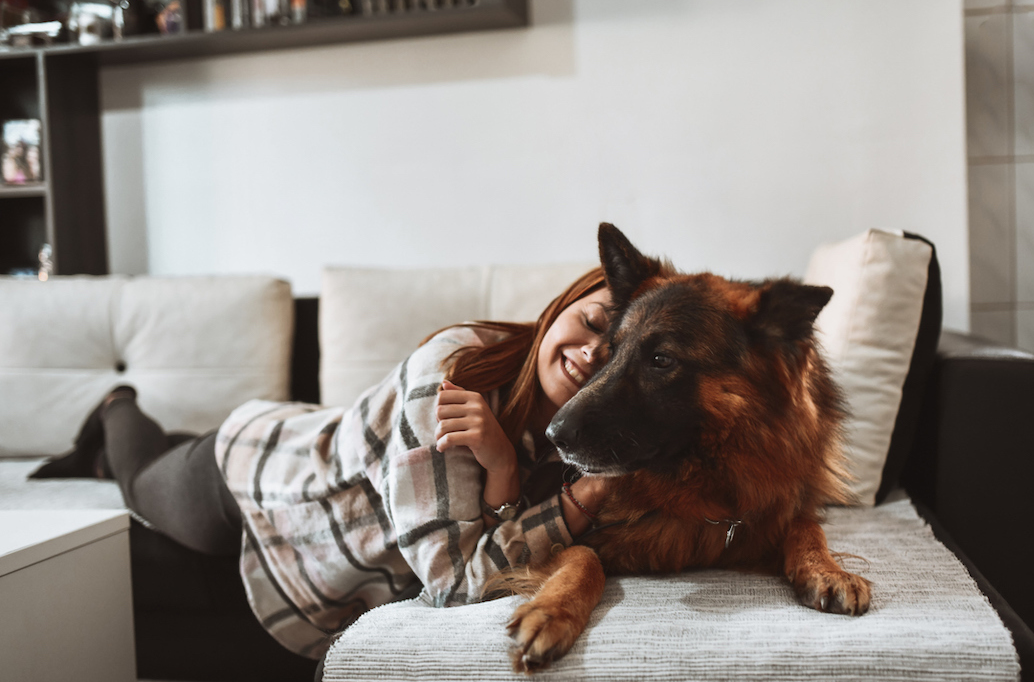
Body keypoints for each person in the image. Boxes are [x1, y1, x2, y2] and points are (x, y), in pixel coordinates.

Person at [31, 268, 613, 659]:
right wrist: (515, 480)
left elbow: (494, 542)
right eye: (590, 323)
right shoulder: (452, 378)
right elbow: (455, 583)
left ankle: (159, 435)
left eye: (613, 359)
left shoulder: (575, 442)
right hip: (250, 480)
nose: (590, 355)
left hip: (323, 502)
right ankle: (116, 407)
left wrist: (506, 476)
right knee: (137, 479)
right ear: (561, 306)